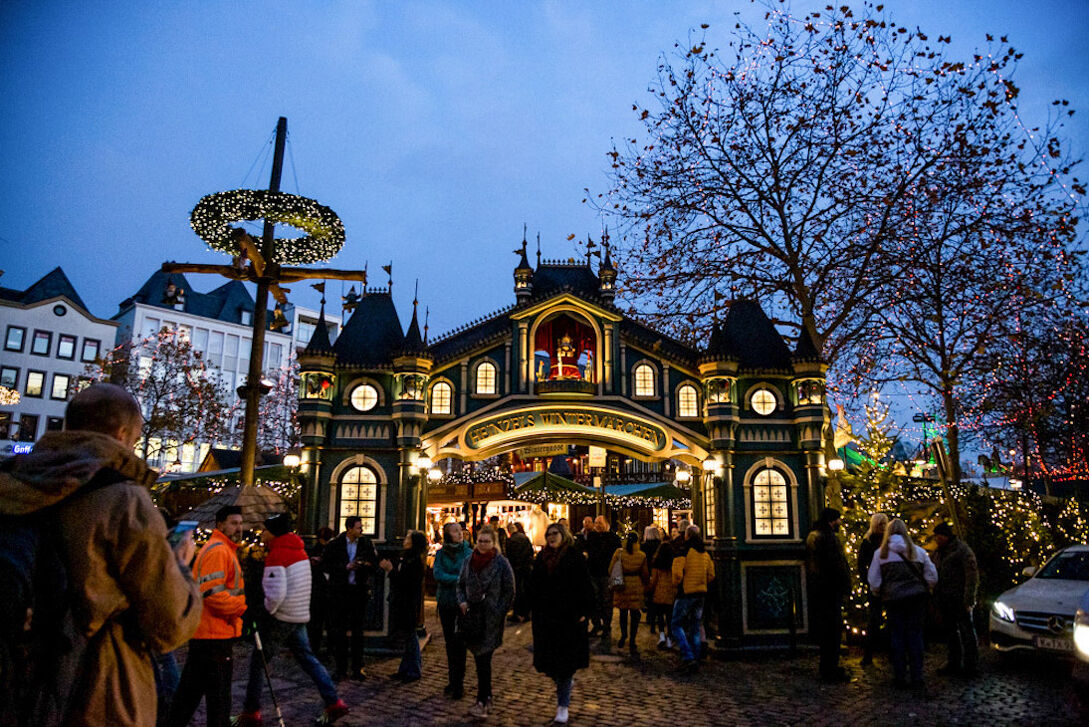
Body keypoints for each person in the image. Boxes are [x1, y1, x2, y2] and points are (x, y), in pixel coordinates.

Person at [0, 383, 201, 726]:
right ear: (123, 434)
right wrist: (181, 565)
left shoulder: (14, 481)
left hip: (18, 679)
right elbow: (170, 625)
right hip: (98, 691)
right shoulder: (123, 500)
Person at [235, 514, 348, 726]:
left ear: (274, 532)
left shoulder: (278, 555)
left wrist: (263, 612)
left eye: (265, 530)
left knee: (258, 662)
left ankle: (251, 712)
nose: (263, 534)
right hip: (298, 614)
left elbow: (276, 594)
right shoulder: (300, 551)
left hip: (282, 617)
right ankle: (333, 702)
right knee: (308, 659)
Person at [168, 505, 247, 727]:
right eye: (234, 523)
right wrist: (241, 608)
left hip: (208, 633)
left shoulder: (221, 549)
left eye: (241, 523)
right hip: (214, 635)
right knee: (219, 700)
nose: (239, 528)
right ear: (220, 524)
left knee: (189, 696)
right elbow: (212, 594)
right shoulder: (219, 551)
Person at [531, 523, 595, 726]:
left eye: (555, 533)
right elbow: (534, 585)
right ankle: (564, 687)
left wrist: (583, 613)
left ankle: (562, 707)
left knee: (565, 666)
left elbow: (585, 585)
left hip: (569, 619)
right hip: (547, 620)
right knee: (552, 666)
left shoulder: (574, 557)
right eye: (548, 534)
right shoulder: (542, 558)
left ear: (563, 534)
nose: (551, 537)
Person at [868, 518, 937, 690]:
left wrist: (879, 592)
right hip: (916, 599)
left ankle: (899, 676)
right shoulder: (918, 552)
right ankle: (917, 676)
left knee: (897, 636)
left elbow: (874, 580)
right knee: (915, 635)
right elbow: (932, 576)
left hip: (893, 599)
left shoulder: (881, 554)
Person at [457, 526, 515, 720]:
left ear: (493, 543)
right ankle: (486, 698)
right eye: (480, 541)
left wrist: (500, 611)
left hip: (490, 618)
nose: (483, 545)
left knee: (483, 659)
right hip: (472, 616)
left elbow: (509, 590)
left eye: (486, 541)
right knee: (481, 659)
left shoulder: (501, 563)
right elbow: (461, 584)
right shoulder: (468, 561)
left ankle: (482, 701)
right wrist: (463, 601)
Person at [322, 516, 378, 681]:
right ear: (349, 529)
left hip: (358, 592)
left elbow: (373, 564)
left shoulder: (365, 544)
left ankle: (357, 667)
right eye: (358, 528)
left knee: (357, 631)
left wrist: (364, 565)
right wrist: (345, 567)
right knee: (340, 631)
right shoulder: (335, 545)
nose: (361, 530)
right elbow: (326, 564)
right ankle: (340, 668)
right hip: (340, 592)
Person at [805, 507, 852, 684]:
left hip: (819, 589)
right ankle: (830, 668)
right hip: (830, 590)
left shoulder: (813, 535)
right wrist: (845, 584)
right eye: (838, 519)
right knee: (832, 630)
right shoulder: (827, 538)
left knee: (827, 631)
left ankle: (828, 666)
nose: (840, 522)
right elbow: (836, 564)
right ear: (832, 520)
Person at [931, 522, 980, 677]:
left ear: (946, 536)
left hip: (959, 597)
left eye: (939, 536)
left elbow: (971, 575)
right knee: (950, 632)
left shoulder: (962, 551)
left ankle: (970, 664)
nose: (937, 539)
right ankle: (954, 661)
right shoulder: (938, 553)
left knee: (966, 631)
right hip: (944, 598)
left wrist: (969, 598)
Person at [380, 530, 428, 682]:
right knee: (408, 637)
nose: (405, 539)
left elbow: (405, 583)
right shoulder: (407, 558)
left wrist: (390, 570)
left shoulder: (413, 561)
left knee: (410, 637)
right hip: (404, 603)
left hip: (407, 603)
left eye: (408, 537)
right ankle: (405, 669)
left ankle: (413, 670)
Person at [432, 522, 473, 700]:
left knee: (460, 643)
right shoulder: (441, 553)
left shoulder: (468, 553)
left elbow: (470, 576)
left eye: (460, 530)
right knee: (450, 642)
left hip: (461, 603)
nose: (460, 533)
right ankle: (452, 680)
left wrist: (453, 580)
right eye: (455, 531)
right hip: (446, 603)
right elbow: (437, 574)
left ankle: (459, 683)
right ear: (448, 535)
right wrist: (458, 579)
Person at [671, 525, 714, 673]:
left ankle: (688, 656)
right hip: (701, 593)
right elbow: (711, 575)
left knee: (676, 624)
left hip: (686, 593)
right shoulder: (704, 553)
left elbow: (677, 575)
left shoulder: (683, 551)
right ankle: (696, 657)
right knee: (695, 626)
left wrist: (677, 584)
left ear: (686, 536)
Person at [609, 531, 649, 656]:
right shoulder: (641, 555)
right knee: (635, 614)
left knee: (623, 612)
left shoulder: (619, 553)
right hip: (636, 585)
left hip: (622, 585)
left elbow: (611, 569)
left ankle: (623, 635)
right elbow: (645, 574)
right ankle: (632, 639)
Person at [584, 516, 621, 647]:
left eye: (600, 523)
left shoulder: (614, 538)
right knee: (593, 600)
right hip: (593, 573)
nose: (597, 525)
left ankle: (606, 626)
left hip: (606, 574)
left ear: (606, 524)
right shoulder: (591, 536)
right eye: (596, 523)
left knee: (606, 601)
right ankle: (596, 625)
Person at [857, 513, 888, 666]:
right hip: (877, 583)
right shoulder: (869, 542)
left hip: (884, 583)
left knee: (878, 618)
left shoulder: (872, 542)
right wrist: (868, 580)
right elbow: (861, 564)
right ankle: (869, 654)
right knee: (874, 619)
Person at [306, 526, 335, 658]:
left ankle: (317, 649)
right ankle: (323, 649)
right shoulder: (325, 550)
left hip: (320, 592)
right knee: (322, 624)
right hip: (321, 592)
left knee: (319, 625)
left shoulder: (318, 550)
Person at [648, 540, 676, 650]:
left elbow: (653, 581)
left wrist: (649, 589)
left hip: (658, 593)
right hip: (670, 594)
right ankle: (670, 638)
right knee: (669, 617)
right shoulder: (672, 563)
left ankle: (662, 635)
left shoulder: (656, 564)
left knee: (659, 616)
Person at [505, 521, 535, 623]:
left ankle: (517, 613)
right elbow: (531, 551)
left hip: (516, 569)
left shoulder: (510, 541)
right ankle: (526, 613)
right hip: (526, 568)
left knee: (517, 591)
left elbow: (509, 555)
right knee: (525, 590)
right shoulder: (524, 538)